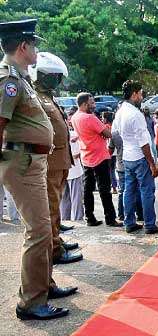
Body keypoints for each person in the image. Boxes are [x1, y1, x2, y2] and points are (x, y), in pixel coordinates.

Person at [0, 19, 75, 320]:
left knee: (44, 229)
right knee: (40, 232)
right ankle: (30, 302)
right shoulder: (8, 80)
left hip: (33, 162)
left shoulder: (20, 78)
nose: (37, 51)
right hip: (22, 163)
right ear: (23, 47)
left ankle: (44, 286)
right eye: (34, 45)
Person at [31, 52, 82, 264]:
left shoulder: (48, 97)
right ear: (44, 76)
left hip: (60, 160)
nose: (59, 80)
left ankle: (56, 241)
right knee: (51, 208)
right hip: (51, 162)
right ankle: (54, 250)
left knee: (56, 205)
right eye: (55, 76)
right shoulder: (36, 98)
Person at [113, 80, 158, 234]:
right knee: (146, 191)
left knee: (129, 190)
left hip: (128, 157)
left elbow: (116, 133)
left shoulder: (120, 111)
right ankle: (149, 224)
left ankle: (129, 222)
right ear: (134, 94)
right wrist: (152, 164)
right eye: (141, 93)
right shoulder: (135, 114)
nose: (142, 97)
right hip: (140, 157)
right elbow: (143, 143)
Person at [72, 92, 121, 227]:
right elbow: (108, 134)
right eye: (92, 103)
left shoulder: (75, 117)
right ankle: (110, 218)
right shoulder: (90, 118)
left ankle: (90, 217)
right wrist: (105, 130)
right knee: (104, 189)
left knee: (88, 189)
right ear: (84, 104)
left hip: (86, 156)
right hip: (99, 156)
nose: (94, 105)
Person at [108, 125, 143, 222]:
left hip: (121, 165)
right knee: (137, 190)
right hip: (135, 162)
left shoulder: (114, 134)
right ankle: (140, 214)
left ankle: (122, 215)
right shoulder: (134, 131)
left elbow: (110, 151)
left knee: (123, 191)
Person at [60, 121, 84, 221]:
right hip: (74, 170)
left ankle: (65, 219)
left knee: (64, 198)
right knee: (76, 197)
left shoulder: (55, 135)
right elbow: (78, 153)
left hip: (62, 170)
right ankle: (78, 218)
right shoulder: (74, 135)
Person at [102, 112, 118, 194]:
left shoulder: (105, 127)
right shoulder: (114, 126)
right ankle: (114, 186)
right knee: (112, 170)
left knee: (109, 171)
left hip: (108, 151)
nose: (102, 119)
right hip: (115, 152)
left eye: (103, 118)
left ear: (106, 119)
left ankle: (113, 187)